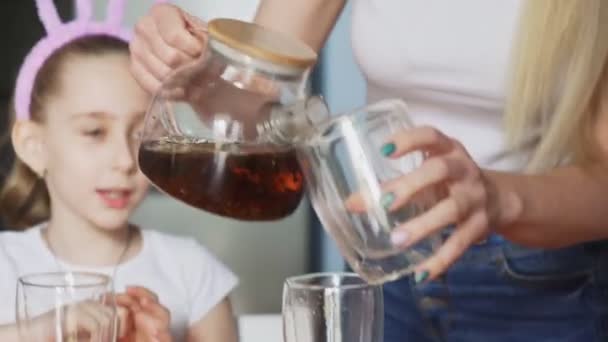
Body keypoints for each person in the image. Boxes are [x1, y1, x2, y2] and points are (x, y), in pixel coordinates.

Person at [129, 0, 608, 341]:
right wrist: (189, 59)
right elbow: (253, 95)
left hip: (546, 279)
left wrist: (496, 198)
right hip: (382, 258)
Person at [0, 1, 238, 341]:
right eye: (94, 132)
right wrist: (41, 330)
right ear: (33, 146)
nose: (126, 160)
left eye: (141, 134)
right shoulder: (4, 265)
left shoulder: (194, 272)